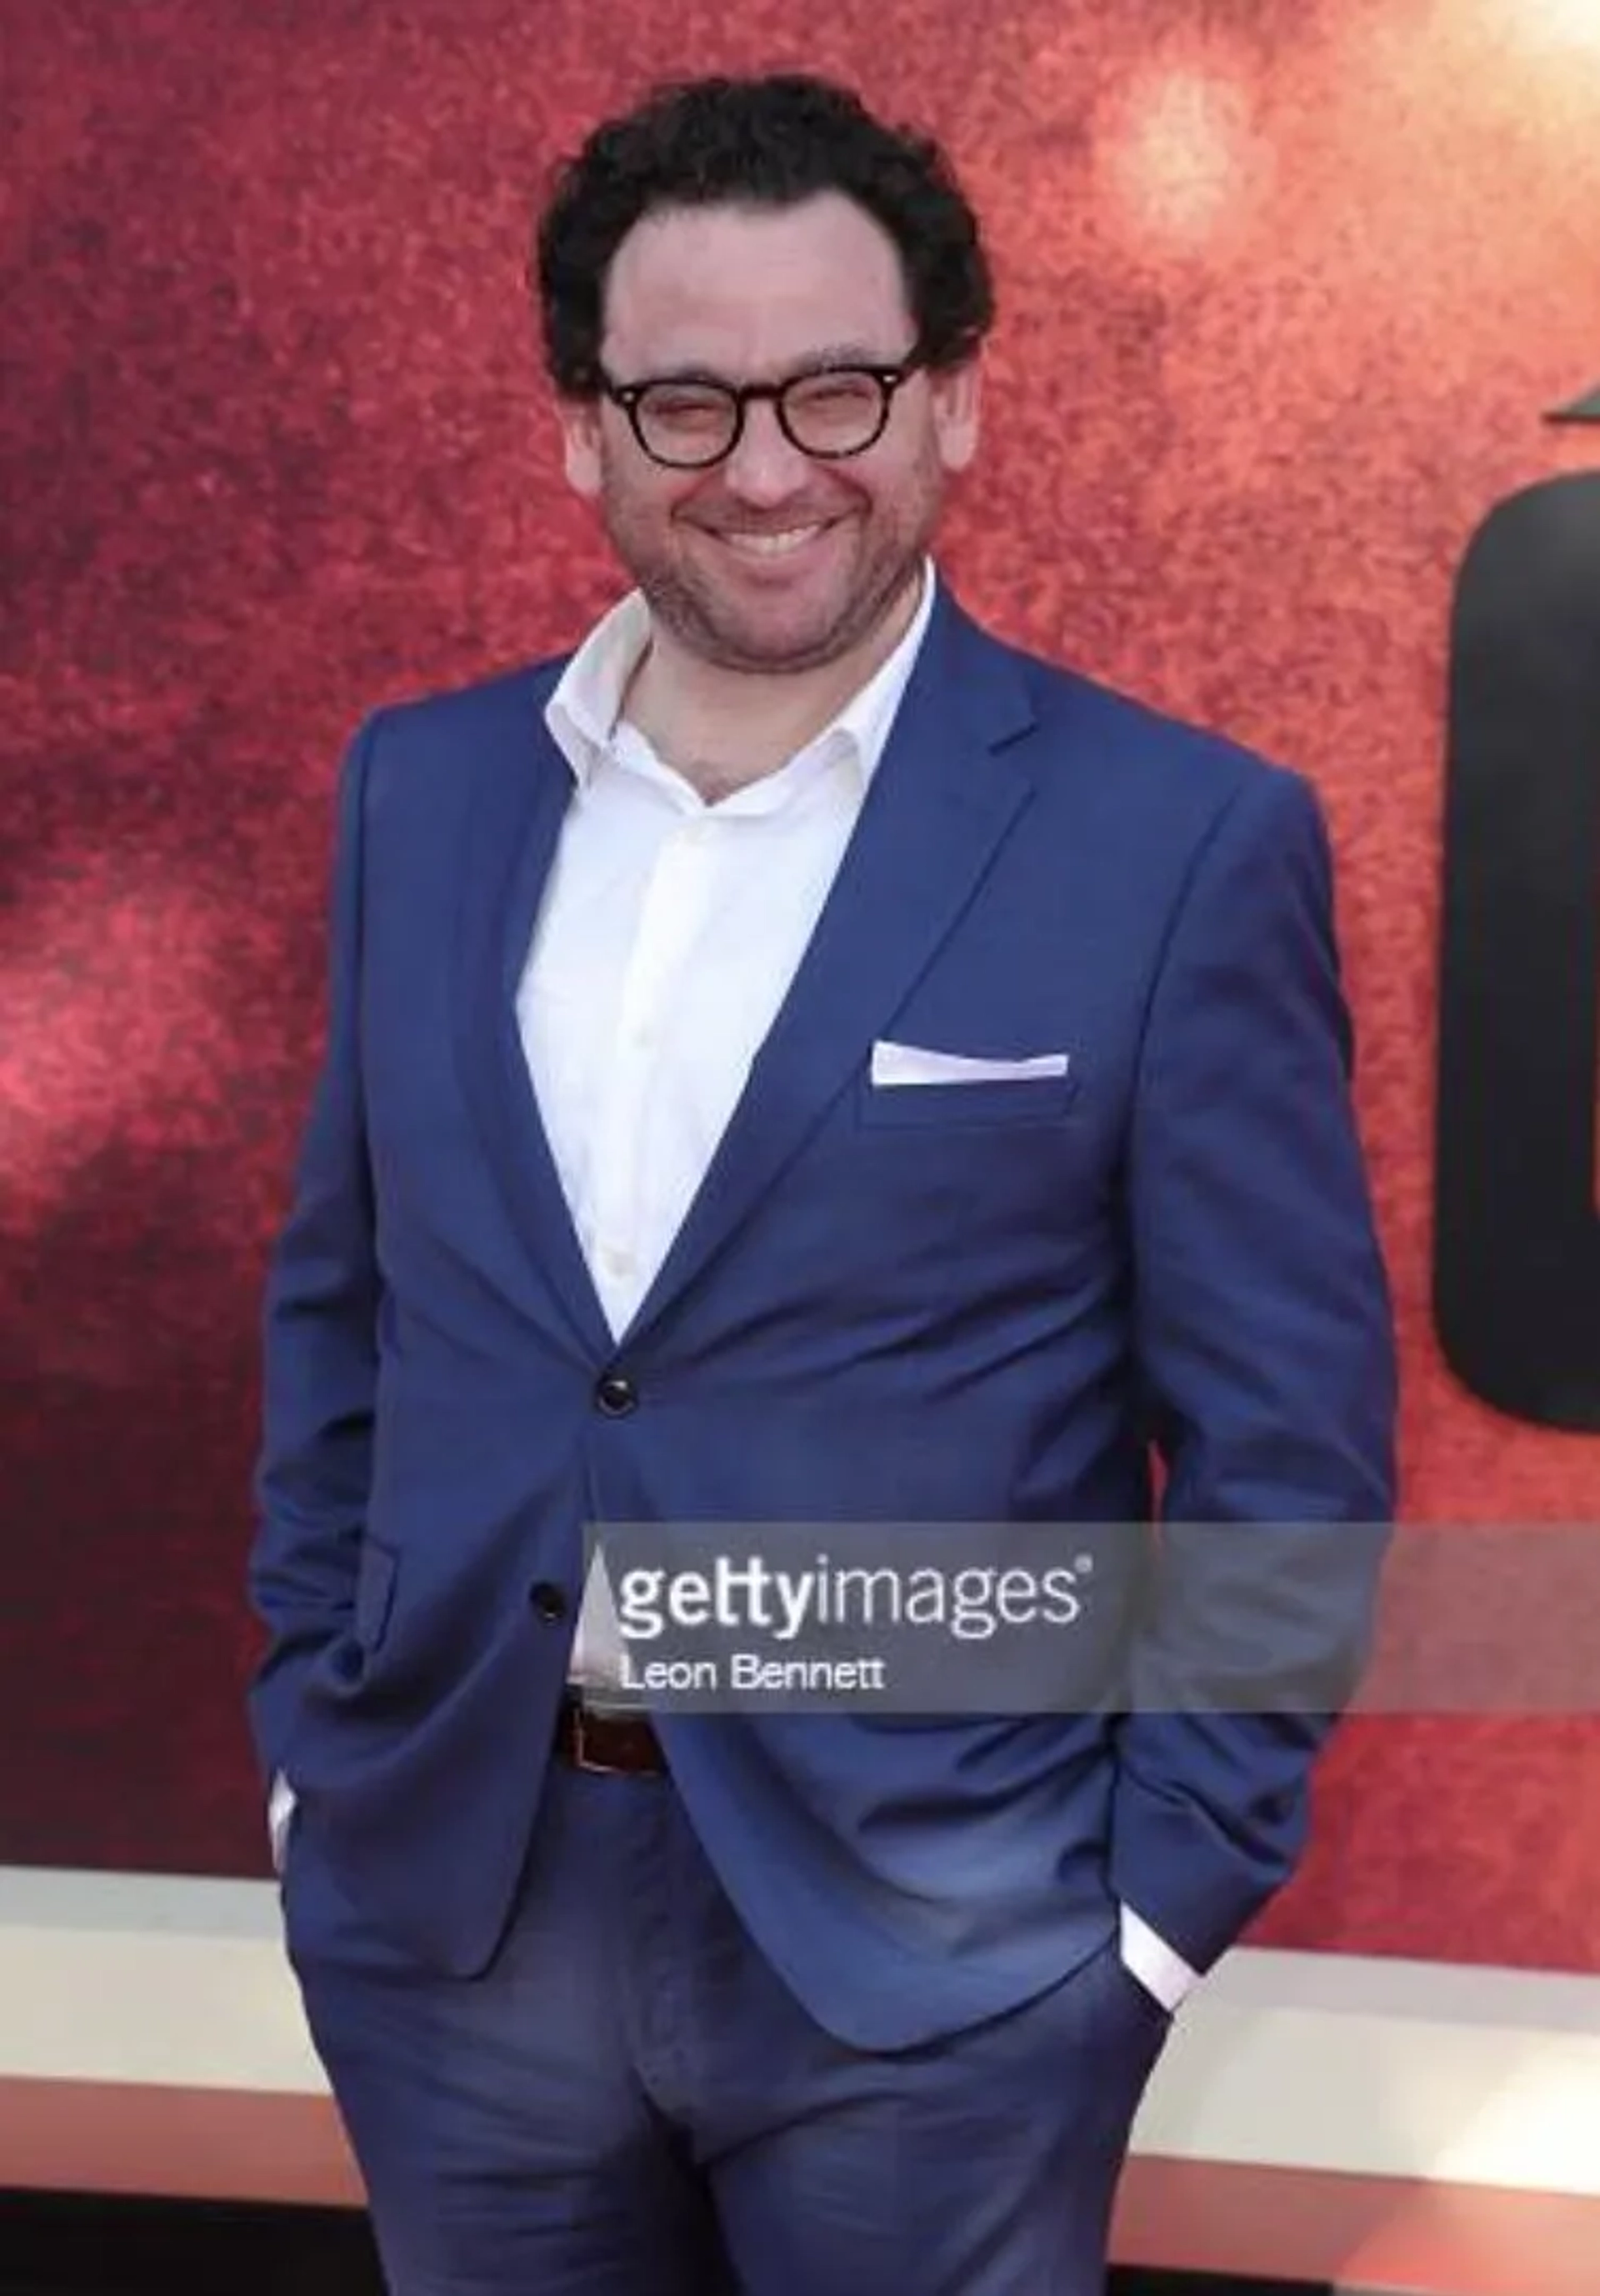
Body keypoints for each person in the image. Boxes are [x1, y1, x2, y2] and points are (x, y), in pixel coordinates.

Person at [247, 69, 1397, 2296]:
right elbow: (349, 1311)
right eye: (687, 402)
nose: (768, 467)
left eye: (840, 388)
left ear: (956, 401)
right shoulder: (423, 789)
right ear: (583, 428)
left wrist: (1147, 1931)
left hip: (944, 1954)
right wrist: (320, 1764)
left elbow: (1289, 1453)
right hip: (457, 1908)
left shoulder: (1179, 841)